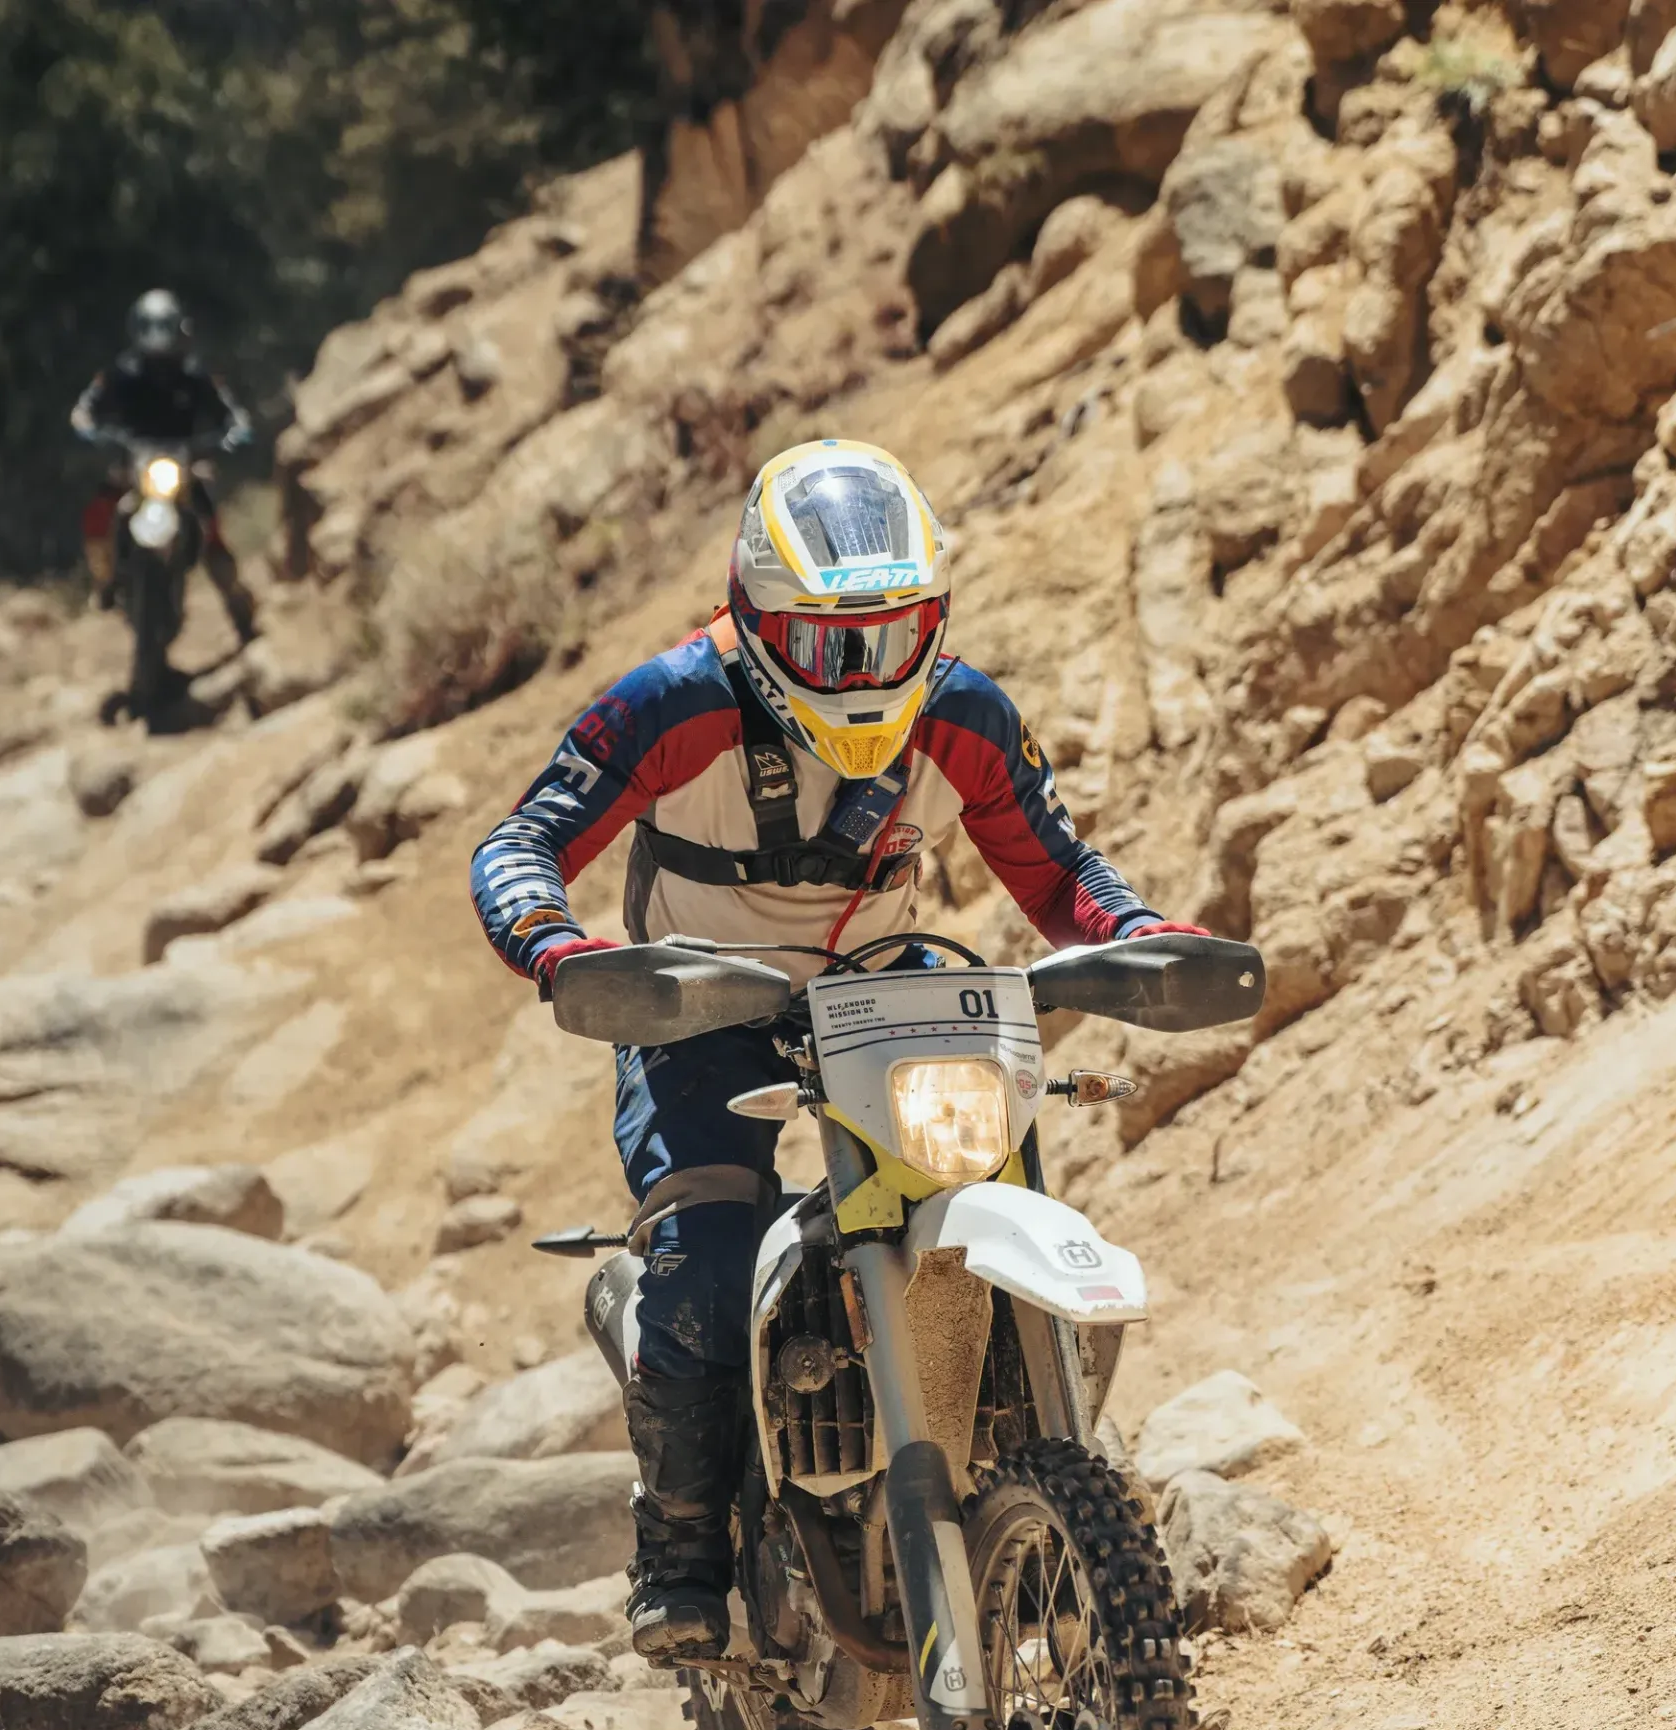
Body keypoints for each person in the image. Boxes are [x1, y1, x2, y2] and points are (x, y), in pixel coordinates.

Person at [470, 438, 1205, 1663]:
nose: (863, 670)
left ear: (938, 619)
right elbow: (521, 841)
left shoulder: (964, 712)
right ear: (757, 618)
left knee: (993, 1191)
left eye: (894, 633)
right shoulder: (670, 703)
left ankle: (1027, 1466)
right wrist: (557, 945)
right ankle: (685, 1541)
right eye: (827, 642)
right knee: (705, 1258)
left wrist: (1135, 931)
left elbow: (1061, 873)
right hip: (694, 1005)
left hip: (881, 999)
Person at [71, 289, 257, 641]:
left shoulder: (194, 374)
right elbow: (86, 408)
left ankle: (237, 605)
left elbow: (230, 413)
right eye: (149, 327)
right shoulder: (121, 373)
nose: (157, 337)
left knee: (209, 525)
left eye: (164, 327)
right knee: (98, 514)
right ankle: (105, 579)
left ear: (178, 329)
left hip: (183, 463)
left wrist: (234, 434)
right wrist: (89, 429)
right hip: (133, 463)